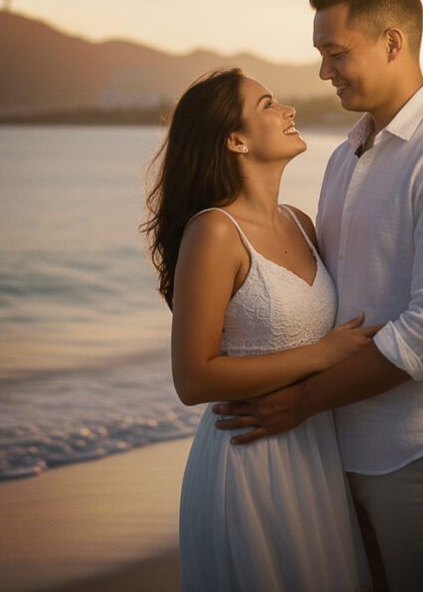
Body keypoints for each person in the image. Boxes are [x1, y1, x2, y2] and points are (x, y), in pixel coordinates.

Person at [212, 0, 423, 591]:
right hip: (339, 451)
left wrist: (302, 400)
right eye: (321, 54)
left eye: (336, 52)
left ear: (393, 42)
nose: (324, 71)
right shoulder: (349, 153)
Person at [143, 68, 379, 591]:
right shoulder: (213, 232)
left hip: (316, 452)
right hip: (250, 461)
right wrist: (323, 354)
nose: (288, 110)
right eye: (269, 104)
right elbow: (194, 380)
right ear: (235, 139)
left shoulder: (301, 222)